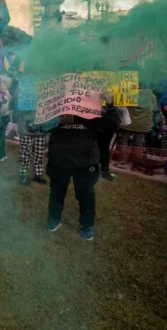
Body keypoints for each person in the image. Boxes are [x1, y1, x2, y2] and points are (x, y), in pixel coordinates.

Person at [46, 92, 121, 241]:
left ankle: (87, 225)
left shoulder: (92, 109)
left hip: (86, 162)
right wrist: (58, 120)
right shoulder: (55, 106)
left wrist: (111, 105)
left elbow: (112, 125)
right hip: (59, 160)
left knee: (86, 195)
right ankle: (54, 218)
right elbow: (40, 127)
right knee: (56, 192)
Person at [17, 110, 48, 186]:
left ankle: (37, 174)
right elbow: (17, 108)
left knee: (39, 154)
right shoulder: (24, 97)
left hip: (40, 129)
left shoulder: (44, 97)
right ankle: (23, 175)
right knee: (25, 154)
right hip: (25, 128)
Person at [0, 75, 13, 162]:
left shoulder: (2, 92)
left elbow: (3, 108)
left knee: (0, 136)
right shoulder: (7, 91)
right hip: (5, 117)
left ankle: (1, 155)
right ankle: (2, 154)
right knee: (0, 136)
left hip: (1, 117)